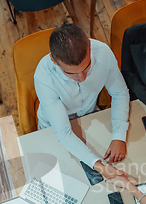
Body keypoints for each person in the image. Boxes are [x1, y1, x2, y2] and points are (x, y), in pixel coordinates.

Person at [34, 24, 130, 179]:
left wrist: (119, 135)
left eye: (87, 67)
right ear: (53, 60)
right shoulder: (43, 76)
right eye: (71, 73)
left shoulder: (103, 52)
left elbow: (119, 93)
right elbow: (63, 132)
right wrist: (100, 167)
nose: (83, 78)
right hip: (54, 128)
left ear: (90, 47)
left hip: (90, 115)